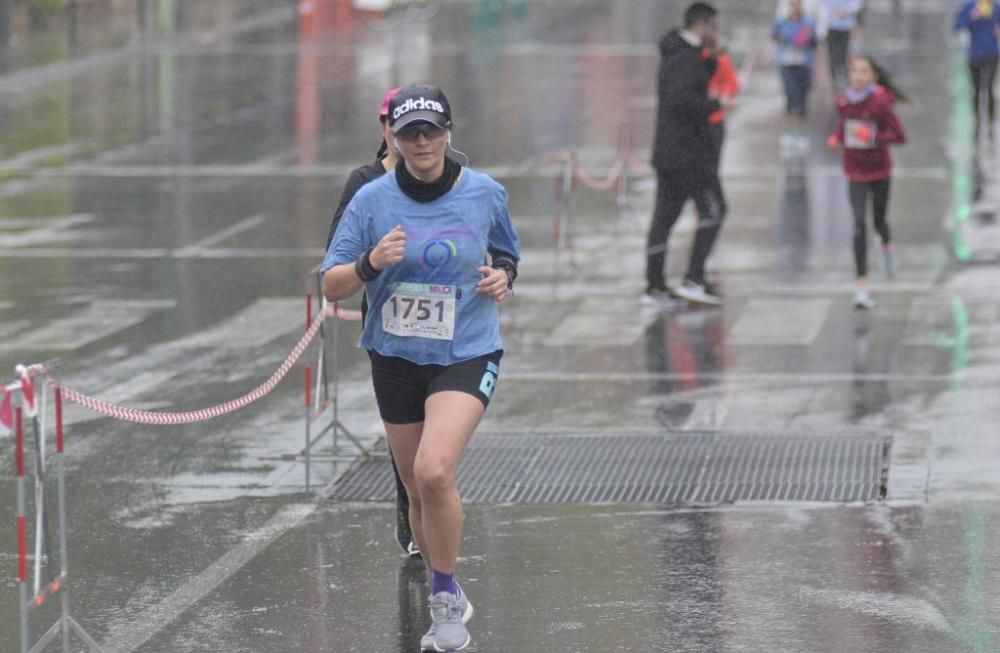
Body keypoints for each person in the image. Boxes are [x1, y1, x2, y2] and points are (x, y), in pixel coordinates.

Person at [321, 83, 520, 652]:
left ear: (448, 132)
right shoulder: (371, 200)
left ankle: (445, 596)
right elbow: (330, 283)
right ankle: (442, 584)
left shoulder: (484, 192)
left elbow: (507, 252)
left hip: (467, 349)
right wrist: (369, 261)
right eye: (411, 133)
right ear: (395, 138)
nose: (423, 142)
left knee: (435, 471)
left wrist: (503, 275)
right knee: (413, 485)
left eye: (431, 130)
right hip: (396, 355)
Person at [325, 86, 423, 560]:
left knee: (439, 432)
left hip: (447, 325)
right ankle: (410, 506)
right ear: (386, 130)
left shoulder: (444, 176)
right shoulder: (364, 184)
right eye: (398, 125)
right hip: (389, 320)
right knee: (405, 427)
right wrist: (374, 259)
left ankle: (429, 501)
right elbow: (337, 257)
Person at [645, 1, 734, 306]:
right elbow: (681, 100)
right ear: (704, 24)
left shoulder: (684, 54)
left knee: (664, 219)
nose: (716, 33)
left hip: (673, 154)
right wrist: (716, 105)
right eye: (714, 27)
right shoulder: (684, 58)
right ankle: (693, 278)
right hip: (688, 157)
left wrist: (713, 59)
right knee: (714, 209)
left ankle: (655, 285)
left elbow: (693, 80)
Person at [826, 56, 907, 309]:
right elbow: (844, 126)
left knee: (879, 220)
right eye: (854, 72)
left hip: (880, 171)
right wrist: (836, 138)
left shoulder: (881, 103)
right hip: (854, 172)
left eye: (864, 72)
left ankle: (886, 246)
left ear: (873, 77)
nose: (858, 76)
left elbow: (899, 136)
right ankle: (862, 286)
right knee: (859, 224)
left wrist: (873, 135)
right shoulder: (844, 102)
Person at [773, 0, 819, 155]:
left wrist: (807, 39)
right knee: (791, 97)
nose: (795, 7)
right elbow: (774, 37)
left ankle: (801, 134)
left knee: (802, 99)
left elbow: (815, 42)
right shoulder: (782, 22)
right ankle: (789, 133)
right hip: (787, 64)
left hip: (804, 65)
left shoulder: (809, 23)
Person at [954, 0, 1000, 141]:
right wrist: (972, 17)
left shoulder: (996, 6)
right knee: (977, 89)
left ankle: (991, 121)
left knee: (989, 88)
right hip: (974, 55)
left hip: (992, 53)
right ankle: (977, 120)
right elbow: (957, 26)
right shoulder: (969, 6)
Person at [705, 37, 741, 172]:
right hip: (696, 118)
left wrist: (721, 94)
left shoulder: (721, 60)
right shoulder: (692, 58)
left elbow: (732, 83)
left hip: (715, 117)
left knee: (713, 164)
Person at [823, 0, 863, 89]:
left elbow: (857, 4)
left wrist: (847, 10)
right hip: (831, 25)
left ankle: (844, 78)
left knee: (843, 55)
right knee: (832, 55)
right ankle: (834, 79)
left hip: (846, 26)